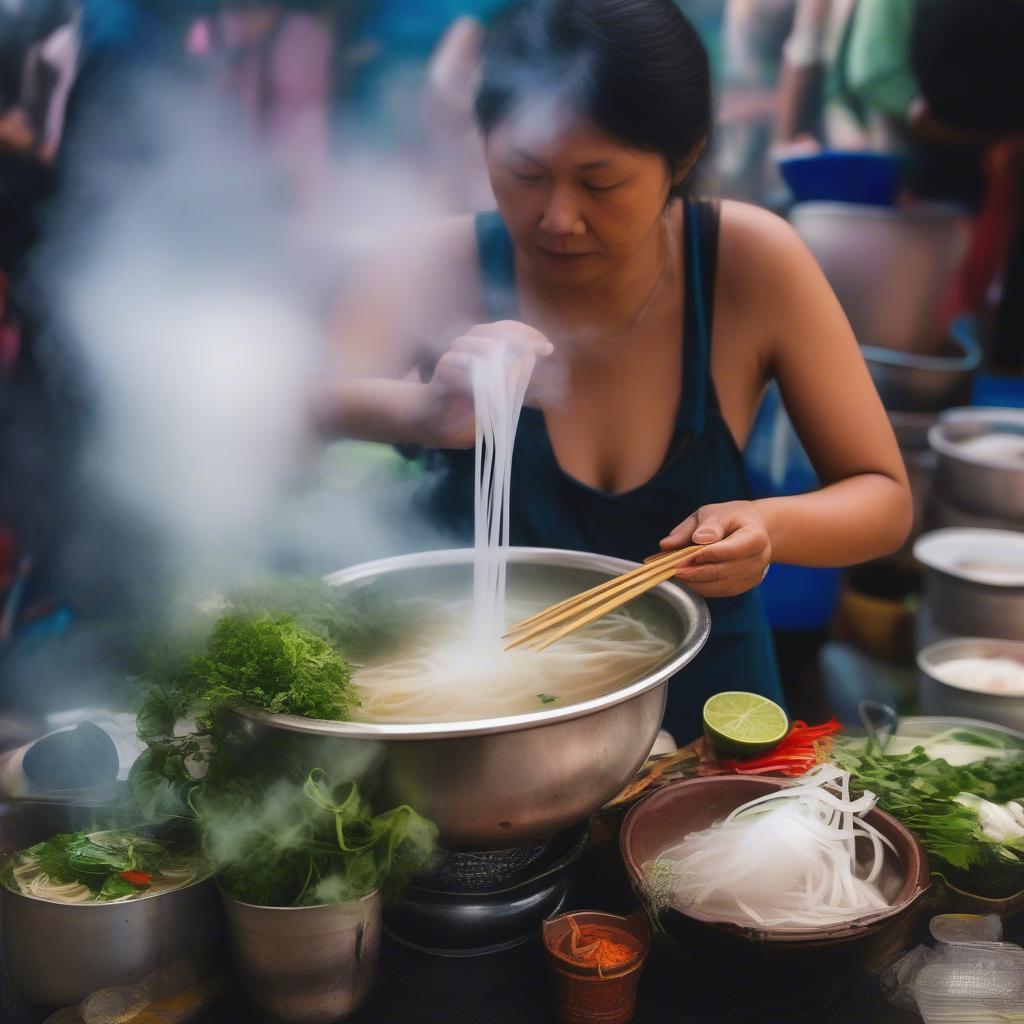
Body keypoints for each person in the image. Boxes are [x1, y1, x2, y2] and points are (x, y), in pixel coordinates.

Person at [322, 0, 912, 741]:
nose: (558, 217)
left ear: (686, 155)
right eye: (525, 173)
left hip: (709, 727)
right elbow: (279, 410)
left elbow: (884, 499)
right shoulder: (433, 264)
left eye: (599, 183)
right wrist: (420, 416)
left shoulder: (750, 263)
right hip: (467, 725)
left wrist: (769, 525)